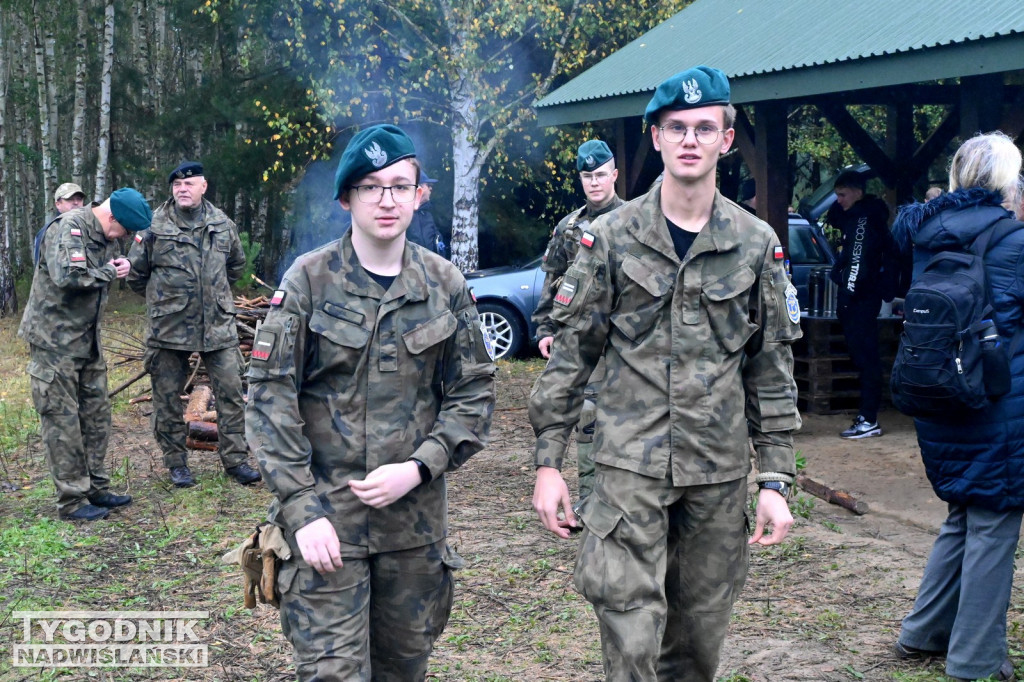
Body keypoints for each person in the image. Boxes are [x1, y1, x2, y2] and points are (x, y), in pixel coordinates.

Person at [529, 65, 801, 681]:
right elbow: (573, 356)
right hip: (629, 468)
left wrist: (777, 478)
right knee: (629, 630)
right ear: (655, 137)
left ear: (725, 140)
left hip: (717, 471)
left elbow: (770, 368)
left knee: (699, 638)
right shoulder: (611, 238)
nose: (689, 140)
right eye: (676, 127)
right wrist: (549, 463)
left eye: (705, 128)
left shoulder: (755, 243)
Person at [246, 124, 495, 680]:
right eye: (371, 187)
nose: (387, 199)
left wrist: (419, 467)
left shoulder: (444, 284)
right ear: (346, 198)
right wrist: (302, 510)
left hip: (415, 532)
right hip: (325, 530)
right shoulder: (309, 281)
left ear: (419, 195)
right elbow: (269, 398)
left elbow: (474, 392)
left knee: (404, 670)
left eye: (400, 186)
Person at [892, 131, 1024, 682]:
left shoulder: (924, 235)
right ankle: (975, 660)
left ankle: (922, 632)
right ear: (1004, 182)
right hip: (997, 404)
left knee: (964, 510)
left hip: (939, 397)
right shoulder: (1013, 240)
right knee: (995, 519)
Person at [19, 188, 152, 521]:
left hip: (86, 341)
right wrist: (111, 272)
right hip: (54, 342)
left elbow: (101, 267)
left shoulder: (104, 235)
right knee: (62, 421)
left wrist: (119, 263)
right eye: (123, 231)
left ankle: (95, 487)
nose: (123, 238)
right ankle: (72, 501)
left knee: (96, 417)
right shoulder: (69, 227)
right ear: (111, 218)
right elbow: (69, 276)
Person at [127, 161, 261, 488]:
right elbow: (135, 274)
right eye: (177, 185)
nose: (182, 189)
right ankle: (177, 465)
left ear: (204, 187)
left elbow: (235, 266)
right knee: (167, 398)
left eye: (190, 184)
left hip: (217, 325)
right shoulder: (152, 225)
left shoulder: (222, 224)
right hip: (168, 328)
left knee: (231, 392)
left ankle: (236, 461)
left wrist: (210, 296)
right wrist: (168, 299)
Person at [531, 139, 624, 504]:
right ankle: (590, 504)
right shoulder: (568, 228)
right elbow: (552, 281)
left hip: (625, 340)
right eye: (587, 176)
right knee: (587, 420)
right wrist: (544, 328)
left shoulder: (635, 222)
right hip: (583, 343)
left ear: (614, 175)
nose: (594, 182)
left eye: (600, 174)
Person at [827, 170, 895, 439]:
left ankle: (869, 419)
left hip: (860, 300)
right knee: (863, 357)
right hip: (863, 298)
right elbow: (834, 218)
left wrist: (847, 292)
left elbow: (858, 262)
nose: (839, 200)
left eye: (842, 195)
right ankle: (866, 415)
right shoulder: (857, 216)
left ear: (858, 192)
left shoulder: (863, 220)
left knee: (866, 358)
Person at [34, 183, 88, 265]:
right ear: (58, 204)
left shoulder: (89, 228)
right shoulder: (48, 231)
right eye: (70, 199)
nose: (76, 202)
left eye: (79, 199)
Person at [405, 169, 446, 257]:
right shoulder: (403, 215)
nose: (431, 188)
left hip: (430, 267)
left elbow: (437, 239)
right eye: (428, 185)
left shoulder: (428, 215)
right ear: (419, 188)